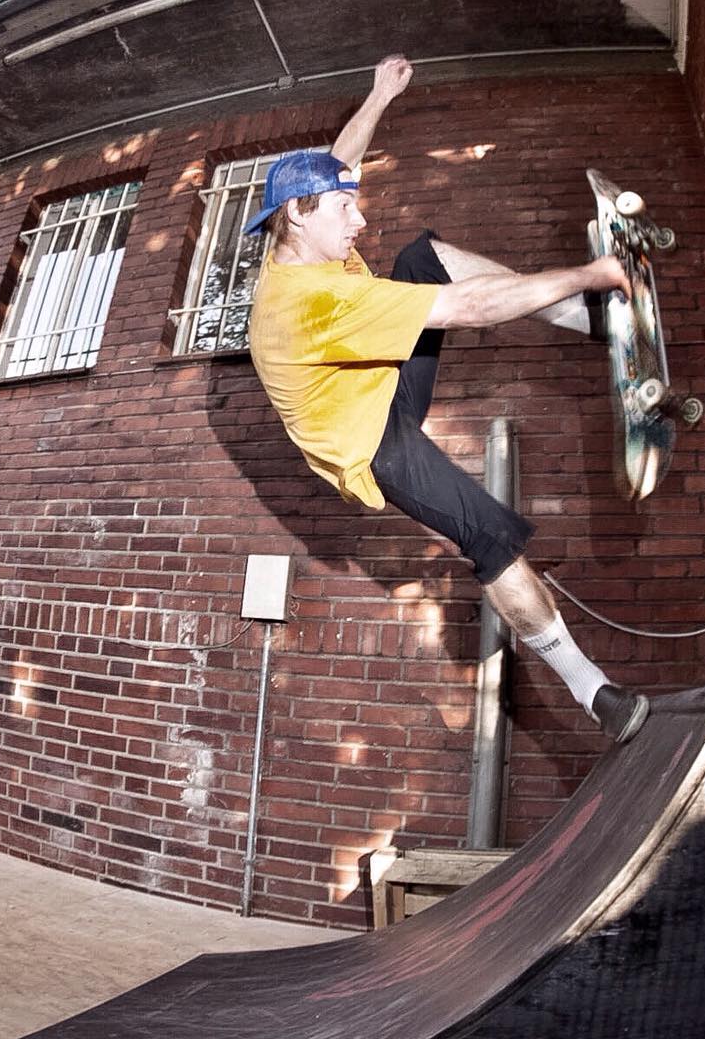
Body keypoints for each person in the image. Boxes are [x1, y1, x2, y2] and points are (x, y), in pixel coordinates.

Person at [244, 55, 648, 743]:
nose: (359, 220)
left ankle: (596, 324)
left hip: (377, 378)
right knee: (489, 536)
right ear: (300, 215)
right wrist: (592, 272)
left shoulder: (299, 238)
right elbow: (467, 307)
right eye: (347, 210)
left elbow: (334, 164)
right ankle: (595, 694)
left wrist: (377, 95)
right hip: (373, 447)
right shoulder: (313, 301)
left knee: (418, 253)